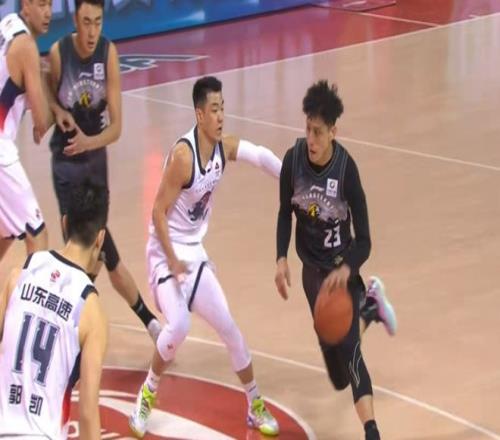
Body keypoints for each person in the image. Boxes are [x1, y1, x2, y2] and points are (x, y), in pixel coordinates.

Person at [129, 76, 282, 438]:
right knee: (179, 325)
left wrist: (291, 178)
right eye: (214, 110)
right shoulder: (183, 157)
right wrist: (172, 261)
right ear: (199, 115)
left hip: (193, 254)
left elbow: (258, 154)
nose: (221, 116)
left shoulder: (222, 148)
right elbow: (157, 213)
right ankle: (146, 395)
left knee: (230, 329)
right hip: (164, 253)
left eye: (223, 108)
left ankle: (254, 404)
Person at [274, 80, 397, 440]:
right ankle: (371, 309)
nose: (311, 139)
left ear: (333, 132)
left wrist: (346, 270)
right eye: (308, 129)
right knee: (338, 377)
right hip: (312, 277)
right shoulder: (293, 161)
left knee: (352, 352)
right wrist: (281, 258)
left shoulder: (346, 171)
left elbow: (365, 241)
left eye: (318, 132)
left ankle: (372, 431)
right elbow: (284, 213)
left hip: (341, 274)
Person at [47, 0, 161, 340]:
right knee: (93, 250)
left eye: (98, 21)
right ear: (75, 20)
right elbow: (47, 95)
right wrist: (57, 112)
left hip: (95, 162)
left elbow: (117, 128)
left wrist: (89, 143)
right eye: (86, 22)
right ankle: (150, 323)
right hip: (66, 164)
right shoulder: (59, 53)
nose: (92, 30)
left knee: (98, 254)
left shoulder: (108, 53)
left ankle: (68, 319)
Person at [0, 180, 109, 439]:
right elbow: (88, 415)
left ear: (64, 222)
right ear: (100, 238)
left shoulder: (19, 275)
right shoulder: (92, 312)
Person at [0, 0, 53, 263]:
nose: (48, 12)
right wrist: (49, 79)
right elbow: (41, 122)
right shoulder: (27, 47)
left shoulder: (7, 23)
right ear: (26, 5)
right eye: (42, 4)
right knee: (37, 232)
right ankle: (34, 290)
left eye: (51, 4)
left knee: (7, 231)